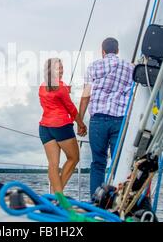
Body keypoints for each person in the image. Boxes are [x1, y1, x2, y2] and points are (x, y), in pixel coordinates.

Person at [78, 38, 134, 198]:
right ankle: (118, 201)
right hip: (120, 121)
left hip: (98, 121)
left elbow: (85, 95)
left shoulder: (94, 66)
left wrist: (80, 121)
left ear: (102, 51)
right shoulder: (129, 67)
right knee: (118, 162)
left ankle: (96, 201)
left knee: (98, 163)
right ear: (117, 50)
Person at [38, 58, 87, 204]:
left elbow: (55, 96)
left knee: (53, 164)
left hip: (44, 127)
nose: (61, 71)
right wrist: (81, 124)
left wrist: (66, 89)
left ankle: (54, 198)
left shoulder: (42, 86)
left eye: (62, 68)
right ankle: (58, 194)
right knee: (74, 158)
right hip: (60, 126)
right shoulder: (60, 88)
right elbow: (71, 108)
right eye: (58, 68)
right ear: (50, 70)